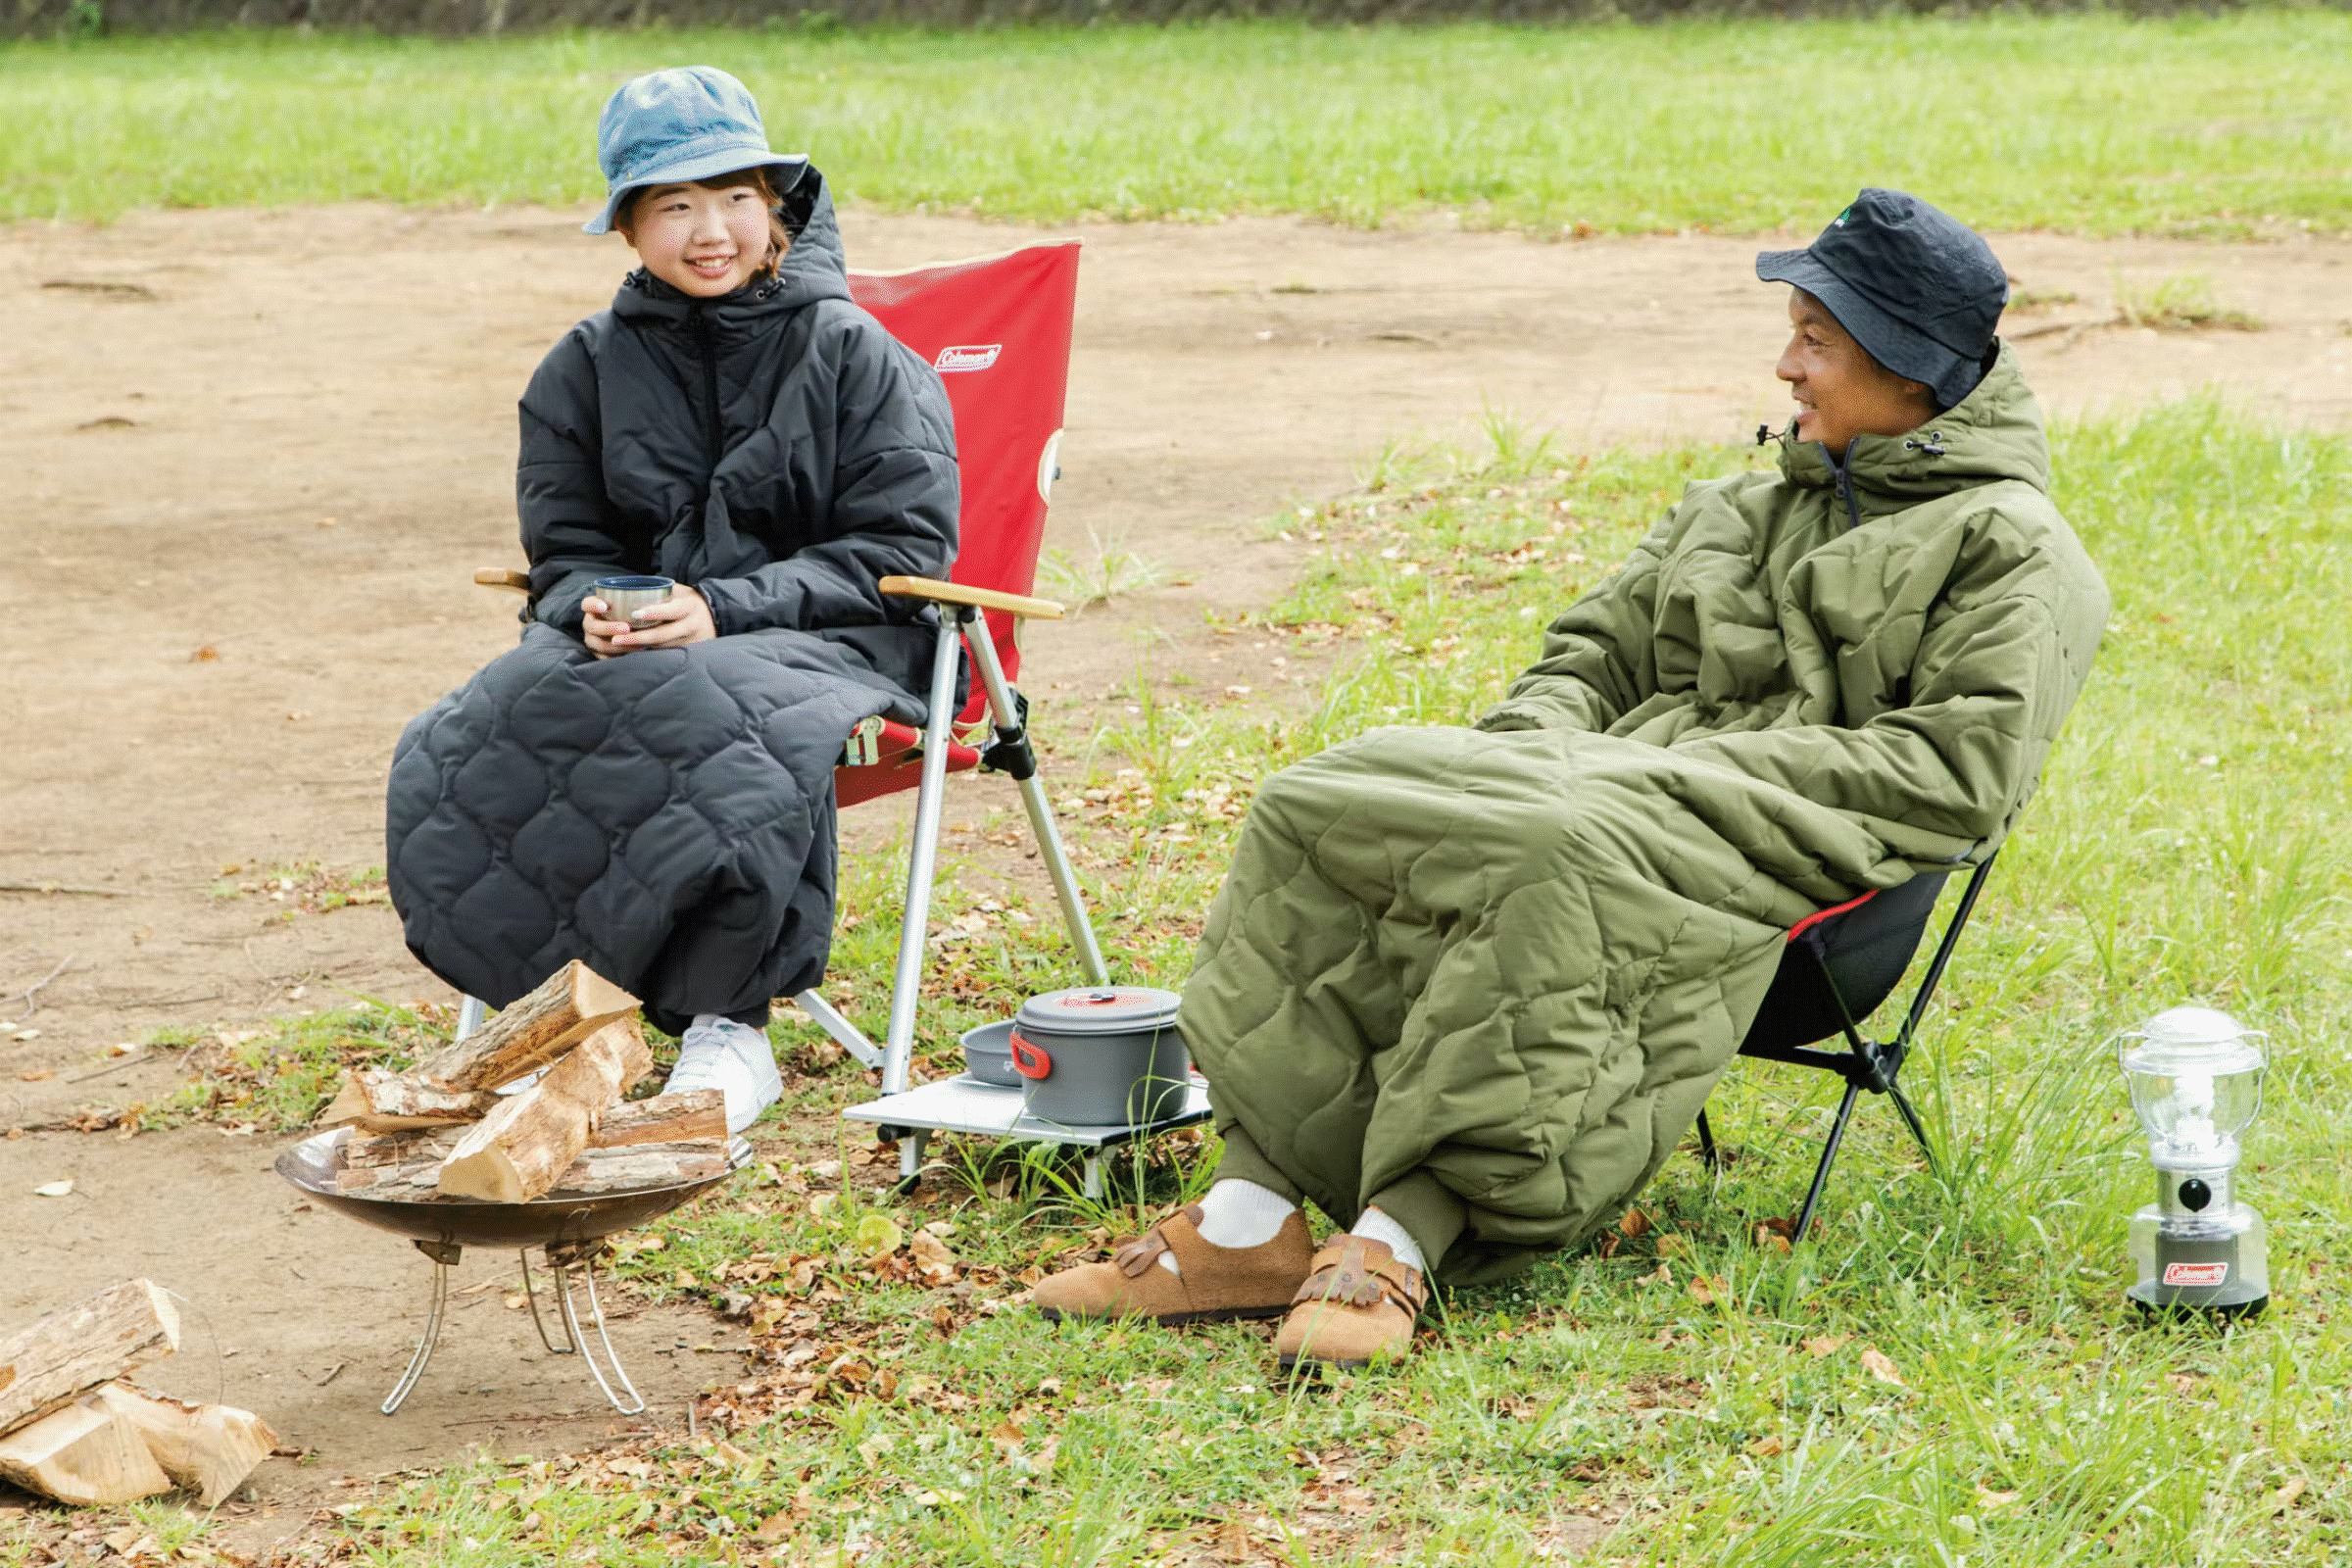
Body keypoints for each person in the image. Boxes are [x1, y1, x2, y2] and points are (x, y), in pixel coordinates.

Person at [1031, 189, 2111, 1371]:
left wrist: (1653, 782)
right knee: (1328, 797)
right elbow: (1591, 656)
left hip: (1814, 883)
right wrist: (1530, 753)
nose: (1786, 364)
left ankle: (1407, 1228)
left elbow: (1953, 773)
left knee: (1560, 845)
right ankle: (1255, 1212)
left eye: (1818, 339)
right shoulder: (1742, 502)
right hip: (1591, 790)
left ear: (1910, 370)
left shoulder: (2016, 548)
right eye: (1794, 329)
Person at [386, 67, 958, 1135]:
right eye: (675, 204)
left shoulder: (855, 353)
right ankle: (551, 1018)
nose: (712, 229)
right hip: (645, 639)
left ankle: (729, 1028)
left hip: (833, 633)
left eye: (736, 197)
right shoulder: (584, 367)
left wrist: (722, 607)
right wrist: (593, 605)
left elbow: (902, 547)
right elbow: (565, 551)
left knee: (725, 717)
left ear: (775, 207)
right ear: (629, 227)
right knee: (499, 709)